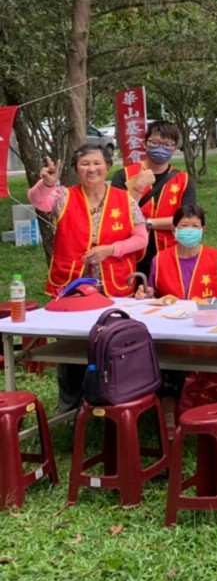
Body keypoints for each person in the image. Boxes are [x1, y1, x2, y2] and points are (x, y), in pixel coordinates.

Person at [29, 147, 149, 413]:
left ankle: (114, 401)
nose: (91, 169)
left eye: (97, 163)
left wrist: (111, 249)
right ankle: (70, 409)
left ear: (107, 167)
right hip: (72, 285)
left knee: (114, 344)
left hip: (114, 284)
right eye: (84, 164)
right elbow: (39, 201)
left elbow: (141, 238)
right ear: (76, 169)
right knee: (71, 347)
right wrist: (47, 183)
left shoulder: (125, 199)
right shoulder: (63, 196)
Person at [140, 205, 217, 419]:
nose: (189, 230)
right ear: (174, 229)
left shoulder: (215, 257)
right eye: (184, 226)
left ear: (203, 229)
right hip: (171, 328)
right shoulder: (160, 259)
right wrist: (144, 294)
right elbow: (153, 294)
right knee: (165, 354)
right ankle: (169, 412)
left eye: (194, 226)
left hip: (207, 327)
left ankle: (207, 403)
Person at [111, 120, 197, 277]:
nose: (160, 148)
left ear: (175, 148)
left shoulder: (183, 180)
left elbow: (186, 222)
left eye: (167, 144)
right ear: (145, 143)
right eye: (155, 142)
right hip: (132, 255)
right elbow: (117, 217)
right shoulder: (124, 176)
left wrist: (147, 223)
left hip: (171, 254)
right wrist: (138, 188)